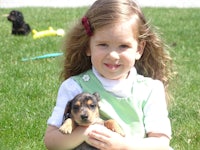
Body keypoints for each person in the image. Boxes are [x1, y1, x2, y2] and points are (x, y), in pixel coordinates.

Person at [44, 0, 174, 149]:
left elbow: (161, 143)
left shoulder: (150, 89)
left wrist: (123, 146)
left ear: (139, 49)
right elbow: (52, 141)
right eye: (103, 45)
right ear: (88, 46)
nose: (113, 55)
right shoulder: (74, 87)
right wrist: (87, 131)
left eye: (123, 46)